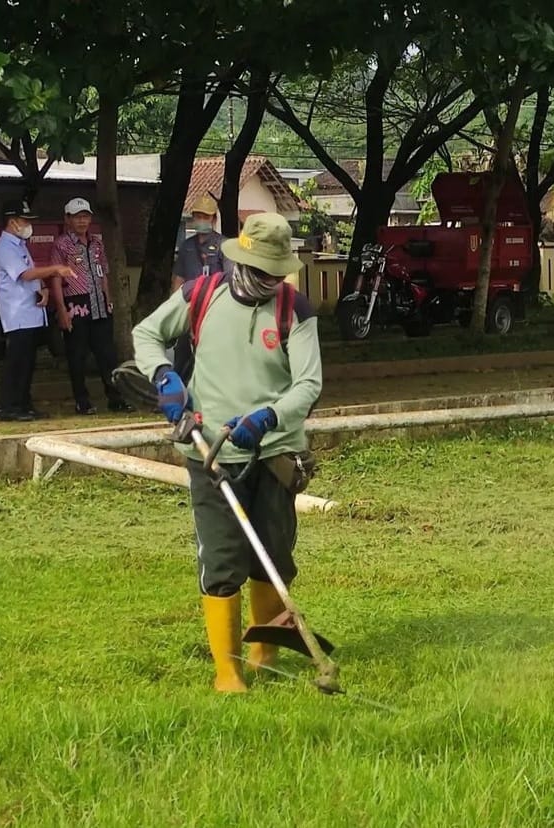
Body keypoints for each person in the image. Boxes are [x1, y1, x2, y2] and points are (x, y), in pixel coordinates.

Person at [132, 212, 321, 693]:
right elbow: (146, 334)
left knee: (273, 557)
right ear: (241, 262)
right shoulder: (201, 295)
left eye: (278, 274)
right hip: (210, 451)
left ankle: (264, 651)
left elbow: (308, 384)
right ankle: (227, 671)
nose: (271, 281)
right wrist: (164, 376)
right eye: (264, 272)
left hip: (274, 455)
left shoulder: (293, 310)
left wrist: (268, 418)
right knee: (221, 560)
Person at [0, 199, 74, 422]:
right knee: (16, 363)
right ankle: (10, 407)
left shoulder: (19, 245)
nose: (28, 224)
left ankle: (24, 404)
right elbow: (24, 275)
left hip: (31, 312)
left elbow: (31, 274)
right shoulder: (5, 248)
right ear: (12, 222)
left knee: (27, 363)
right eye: (24, 220)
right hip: (17, 315)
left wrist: (44, 289)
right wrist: (55, 269)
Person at [48, 197, 131, 414]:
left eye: (85, 217)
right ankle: (82, 400)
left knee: (107, 355)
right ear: (67, 219)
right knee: (77, 355)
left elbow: (103, 272)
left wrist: (108, 297)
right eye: (77, 217)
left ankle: (115, 398)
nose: (82, 222)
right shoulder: (61, 245)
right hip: (76, 304)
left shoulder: (97, 242)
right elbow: (55, 278)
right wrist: (61, 310)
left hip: (99, 303)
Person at [170, 194, 226, 375]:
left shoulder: (223, 245)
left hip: (214, 309)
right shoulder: (186, 246)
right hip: (189, 309)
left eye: (206, 217)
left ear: (214, 219)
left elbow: (230, 279)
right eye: (198, 216)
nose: (201, 220)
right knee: (182, 355)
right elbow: (178, 278)